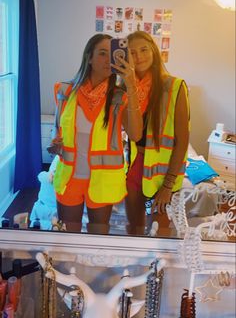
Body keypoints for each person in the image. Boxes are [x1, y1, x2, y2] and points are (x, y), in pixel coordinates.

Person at [48, 33, 142, 234]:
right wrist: (55, 143)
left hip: (103, 180)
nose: (108, 60)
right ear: (89, 57)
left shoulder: (119, 97)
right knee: (68, 236)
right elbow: (58, 131)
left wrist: (131, 84)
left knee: (98, 237)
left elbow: (135, 134)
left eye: (113, 55)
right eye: (102, 53)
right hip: (70, 178)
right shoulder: (65, 91)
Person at [125, 31, 190, 235]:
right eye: (132, 53)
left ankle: (158, 268)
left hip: (164, 172)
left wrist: (168, 185)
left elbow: (182, 140)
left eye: (144, 49)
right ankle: (136, 268)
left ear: (154, 50)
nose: (139, 56)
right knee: (134, 230)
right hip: (135, 165)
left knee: (159, 232)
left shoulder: (174, 86)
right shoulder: (125, 88)